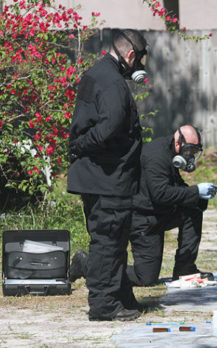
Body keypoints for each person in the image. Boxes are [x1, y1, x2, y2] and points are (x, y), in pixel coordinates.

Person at [70, 125, 217, 288]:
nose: (190, 156)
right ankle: (85, 263)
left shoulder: (170, 154)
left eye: (194, 152)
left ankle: (185, 269)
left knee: (193, 209)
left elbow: (175, 187)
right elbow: (161, 194)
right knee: (145, 278)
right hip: (143, 220)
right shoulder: (156, 156)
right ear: (178, 142)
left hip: (158, 213)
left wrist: (199, 196)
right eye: (189, 151)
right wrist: (195, 191)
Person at [67, 29, 148, 321]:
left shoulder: (96, 73)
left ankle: (120, 296)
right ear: (130, 55)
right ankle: (103, 306)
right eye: (139, 60)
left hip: (99, 177)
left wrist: (79, 148)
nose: (139, 66)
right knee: (108, 242)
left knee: (113, 239)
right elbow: (109, 128)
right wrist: (78, 147)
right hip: (107, 178)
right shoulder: (113, 82)